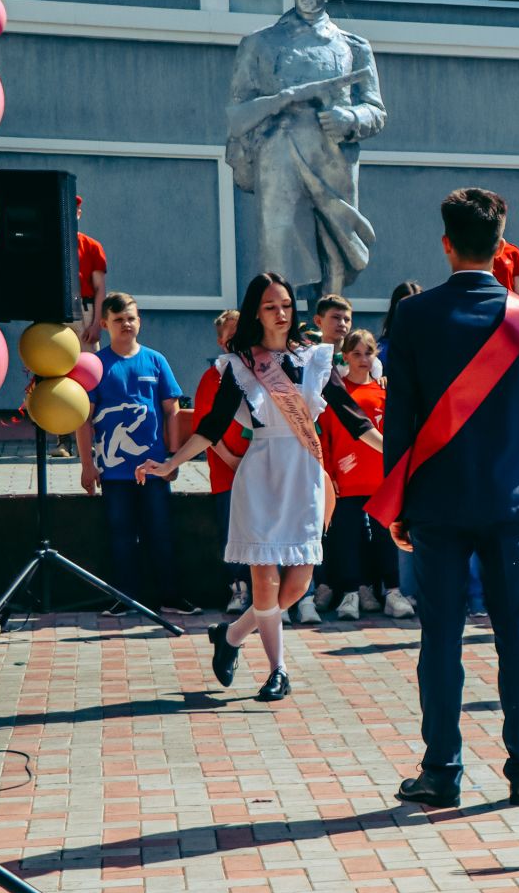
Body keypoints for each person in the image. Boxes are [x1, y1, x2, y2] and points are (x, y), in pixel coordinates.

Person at [372, 187, 519, 809]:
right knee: (518, 639)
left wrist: (397, 501)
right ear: (502, 246)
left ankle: (442, 770)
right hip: (510, 504)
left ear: (446, 243)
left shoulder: (415, 316)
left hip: (435, 502)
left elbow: (399, 417)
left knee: (440, 639)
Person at [138, 272, 382, 699]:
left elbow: (352, 419)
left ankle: (231, 635)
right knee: (265, 583)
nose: (281, 313)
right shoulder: (241, 365)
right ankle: (277, 670)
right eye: (270, 306)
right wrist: (171, 463)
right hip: (261, 474)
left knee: (298, 585)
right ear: (256, 312)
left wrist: (398, 454)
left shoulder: (316, 361)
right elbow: (211, 426)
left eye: (286, 305)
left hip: (304, 473)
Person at [79, 293, 192, 615]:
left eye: (131, 318)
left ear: (139, 320)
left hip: (154, 468)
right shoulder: (97, 366)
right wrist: (87, 465)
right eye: (118, 320)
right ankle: (124, 598)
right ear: (105, 325)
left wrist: (172, 457)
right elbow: (83, 419)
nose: (126, 324)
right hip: (114, 472)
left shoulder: (156, 360)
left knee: (161, 532)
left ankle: (170, 597)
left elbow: (172, 411)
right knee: (120, 537)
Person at [319, 329, 402, 619]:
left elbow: (394, 436)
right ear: (345, 356)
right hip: (347, 483)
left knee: (385, 538)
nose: (363, 359)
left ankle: (392, 592)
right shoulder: (336, 394)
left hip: (380, 481)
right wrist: (329, 475)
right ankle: (350, 594)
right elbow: (325, 440)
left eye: (368, 352)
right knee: (346, 538)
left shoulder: (385, 392)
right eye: (356, 353)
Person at [191, 310, 254, 613]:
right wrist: (231, 460)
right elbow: (204, 425)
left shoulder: (264, 368)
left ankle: (272, 594)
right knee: (232, 534)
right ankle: (238, 589)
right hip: (228, 474)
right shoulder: (212, 376)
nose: (237, 339)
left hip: (263, 472)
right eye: (230, 335)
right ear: (220, 341)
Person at [75, 195, 108, 350]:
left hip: (83, 311)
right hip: (53, 312)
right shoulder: (47, 244)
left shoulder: (92, 246)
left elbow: (99, 288)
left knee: (86, 366)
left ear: (78, 213)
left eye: (73, 211)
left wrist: (96, 325)